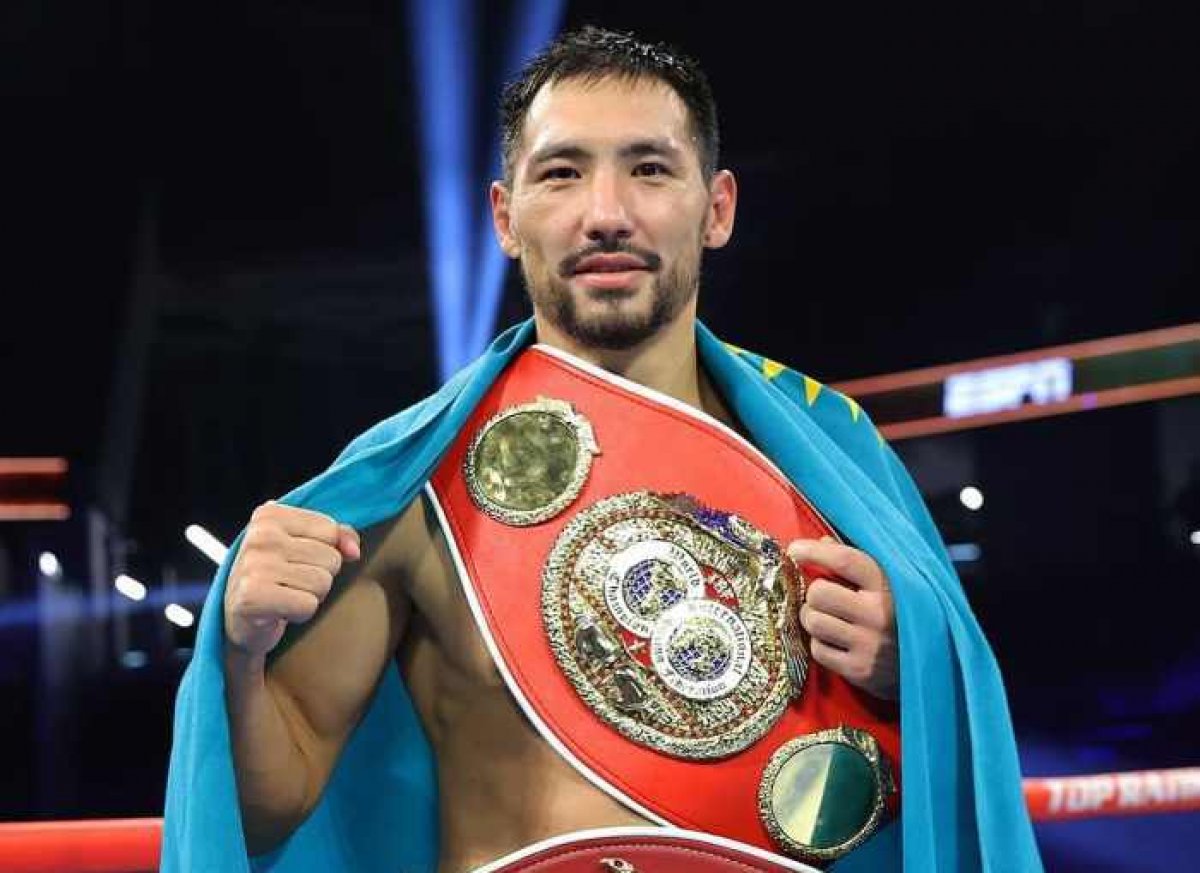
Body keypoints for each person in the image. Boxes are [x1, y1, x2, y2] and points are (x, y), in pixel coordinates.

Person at [162, 26, 1042, 873]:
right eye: (562, 173)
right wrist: (238, 649)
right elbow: (273, 798)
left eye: (649, 168)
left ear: (717, 208)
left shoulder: (834, 459)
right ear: (506, 217)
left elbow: (953, 784)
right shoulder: (416, 480)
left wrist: (912, 667)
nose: (606, 214)